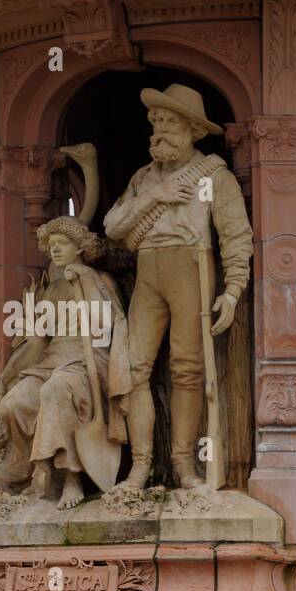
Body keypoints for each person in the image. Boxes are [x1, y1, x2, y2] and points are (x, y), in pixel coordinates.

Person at [103, 83, 253, 489]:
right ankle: (141, 465)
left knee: (187, 369)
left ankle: (184, 463)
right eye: (156, 123)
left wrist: (233, 289)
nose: (160, 132)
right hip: (149, 270)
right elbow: (113, 227)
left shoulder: (213, 176)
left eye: (170, 123)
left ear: (192, 131)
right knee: (134, 369)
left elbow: (236, 236)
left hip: (193, 265)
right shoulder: (143, 179)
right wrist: (157, 196)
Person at [0, 217, 131, 509]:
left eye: (61, 244)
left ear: (79, 246)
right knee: (13, 404)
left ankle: (71, 477)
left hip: (88, 358)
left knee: (55, 392)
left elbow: (109, 327)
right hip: (52, 359)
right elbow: (37, 343)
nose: (54, 250)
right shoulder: (52, 291)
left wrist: (87, 283)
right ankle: (38, 468)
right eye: (50, 246)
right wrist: (4, 379)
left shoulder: (101, 280)